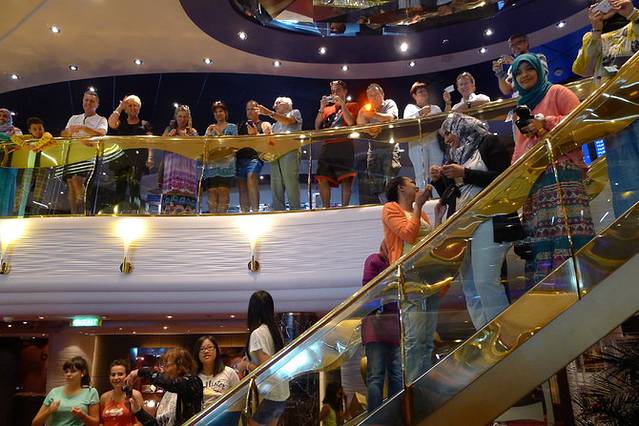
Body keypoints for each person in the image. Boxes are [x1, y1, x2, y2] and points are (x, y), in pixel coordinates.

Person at [511, 53, 595, 286]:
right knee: (544, 240)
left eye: (529, 69)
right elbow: (519, 149)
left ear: (539, 70)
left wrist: (545, 122)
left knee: (568, 233)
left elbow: (581, 121)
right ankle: (552, 292)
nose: (524, 75)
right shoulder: (521, 108)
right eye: (518, 73)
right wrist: (514, 179)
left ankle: (582, 287)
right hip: (536, 183)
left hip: (563, 174)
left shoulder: (557, 92)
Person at [431, 113, 514, 329]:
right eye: (444, 136)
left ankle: (503, 335)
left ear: (461, 127)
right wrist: (439, 181)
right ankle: (484, 336)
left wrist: (465, 173)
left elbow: (505, 178)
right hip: (463, 225)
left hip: (489, 219)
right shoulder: (456, 155)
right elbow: (456, 195)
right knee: (470, 286)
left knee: (486, 281)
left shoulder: (489, 142)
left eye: (448, 133)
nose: (447, 139)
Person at [573, 0, 639, 217]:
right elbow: (583, 68)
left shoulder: (634, 23)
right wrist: (596, 30)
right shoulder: (591, 36)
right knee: (625, 179)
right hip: (612, 116)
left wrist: (632, 14)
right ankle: (631, 228)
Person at [381, 176, 438, 384]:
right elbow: (408, 235)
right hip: (409, 276)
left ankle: (426, 385)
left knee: (427, 338)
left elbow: (431, 241)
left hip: (429, 276)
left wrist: (438, 218)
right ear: (401, 188)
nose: (416, 185)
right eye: (411, 182)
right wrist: (418, 206)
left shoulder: (420, 213)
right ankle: (413, 387)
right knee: (414, 337)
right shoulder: (391, 208)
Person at [236, 290, 289, 426]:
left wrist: (245, 365)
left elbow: (266, 367)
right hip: (282, 392)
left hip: (272, 393)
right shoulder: (275, 332)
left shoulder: (257, 333)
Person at [361, 241, 402, 412]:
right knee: (378, 375)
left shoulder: (398, 265)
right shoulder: (375, 261)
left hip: (390, 325)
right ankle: (377, 417)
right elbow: (369, 290)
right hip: (378, 325)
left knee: (392, 375)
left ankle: (390, 415)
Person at [126, 347, 203, 426]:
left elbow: (169, 383)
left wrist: (141, 371)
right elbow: (157, 424)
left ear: (180, 366)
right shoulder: (169, 391)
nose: (163, 370)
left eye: (166, 365)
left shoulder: (192, 381)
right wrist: (139, 412)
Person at [60, 90, 108, 214]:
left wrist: (83, 128)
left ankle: (81, 214)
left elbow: (102, 133)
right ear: (82, 101)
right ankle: (73, 214)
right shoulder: (74, 118)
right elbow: (64, 134)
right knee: (71, 184)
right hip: (71, 154)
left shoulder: (101, 119)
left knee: (78, 180)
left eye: (92, 101)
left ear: (97, 104)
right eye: (86, 100)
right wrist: (68, 132)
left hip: (87, 155)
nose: (88, 103)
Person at [315, 80, 359, 208]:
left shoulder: (352, 105)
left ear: (345, 91)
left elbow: (351, 122)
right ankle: (326, 207)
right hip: (327, 145)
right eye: (333, 91)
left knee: (346, 178)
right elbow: (317, 126)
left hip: (344, 144)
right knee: (322, 177)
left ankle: (345, 207)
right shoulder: (327, 109)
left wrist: (343, 105)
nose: (335, 93)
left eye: (338, 90)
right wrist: (321, 108)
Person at [107, 95, 153, 213]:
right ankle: (117, 212)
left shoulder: (145, 124)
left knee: (135, 187)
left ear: (139, 108)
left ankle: (135, 212)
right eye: (130, 105)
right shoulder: (121, 122)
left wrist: (150, 157)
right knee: (120, 187)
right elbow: (111, 123)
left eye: (136, 105)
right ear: (126, 108)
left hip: (137, 160)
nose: (133, 108)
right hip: (121, 160)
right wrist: (120, 107)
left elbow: (150, 142)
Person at [357, 83, 400, 204]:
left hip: (389, 147)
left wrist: (373, 115)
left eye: (376, 94)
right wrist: (362, 113)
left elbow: (390, 118)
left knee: (390, 179)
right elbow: (360, 125)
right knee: (375, 183)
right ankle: (385, 205)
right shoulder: (367, 109)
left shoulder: (389, 103)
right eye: (370, 95)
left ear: (382, 94)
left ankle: (394, 206)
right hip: (373, 150)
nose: (373, 97)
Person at [257, 97, 302, 211]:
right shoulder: (275, 125)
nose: (275, 106)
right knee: (276, 184)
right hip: (275, 154)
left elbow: (288, 121)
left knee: (290, 181)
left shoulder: (294, 112)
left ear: (288, 104)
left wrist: (269, 113)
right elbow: (270, 141)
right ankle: (278, 209)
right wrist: (265, 129)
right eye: (274, 104)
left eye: (278, 103)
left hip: (290, 151)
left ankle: (295, 209)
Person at [32, 356, 99, 426]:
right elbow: (35, 423)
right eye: (66, 372)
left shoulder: (90, 392)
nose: (68, 374)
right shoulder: (54, 392)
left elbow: (95, 424)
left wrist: (83, 416)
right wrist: (49, 411)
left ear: (83, 373)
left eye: (73, 371)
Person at [403, 81, 444, 189]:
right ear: (414, 96)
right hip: (417, 145)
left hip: (434, 143)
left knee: (436, 172)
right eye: (420, 91)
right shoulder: (410, 108)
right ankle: (422, 196)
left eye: (425, 91)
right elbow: (406, 123)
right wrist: (421, 113)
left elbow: (442, 127)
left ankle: (437, 196)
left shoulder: (435, 108)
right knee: (421, 175)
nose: (423, 93)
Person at [193, 335, 241, 425]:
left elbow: (239, 398)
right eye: (202, 349)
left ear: (216, 350)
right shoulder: (193, 377)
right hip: (200, 421)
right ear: (197, 353)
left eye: (210, 347)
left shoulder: (229, 372)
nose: (206, 351)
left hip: (224, 418)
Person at [160, 105, 199, 214]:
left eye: (185, 116)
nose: (182, 119)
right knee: (171, 197)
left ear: (188, 118)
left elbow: (197, 148)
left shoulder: (192, 132)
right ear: (176, 117)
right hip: (171, 170)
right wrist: (168, 137)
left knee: (187, 198)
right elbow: (160, 144)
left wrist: (185, 136)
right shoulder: (169, 130)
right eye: (180, 116)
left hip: (187, 171)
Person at [203, 101, 238, 213]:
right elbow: (204, 146)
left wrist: (220, 134)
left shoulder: (232, 127)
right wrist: (208, 134)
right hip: (211, 166)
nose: (218, 113)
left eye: (220, 111)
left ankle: (222, 218)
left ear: (225, 112)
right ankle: (212, 219)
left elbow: (235, 145)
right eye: (216, 112)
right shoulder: (210, 128)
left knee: (223, 191)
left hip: (226, 166)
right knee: (212, 192)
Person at [237, 100, 272, 212]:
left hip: (255, 157)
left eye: (252, 109)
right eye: (248, 109)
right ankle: (244, 213)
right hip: (240, 158)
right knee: (242, 186)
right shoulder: (240, 125)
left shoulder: (264, 124)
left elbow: (269, 140)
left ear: (258, 110)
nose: (249, 111)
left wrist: (256, 134)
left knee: (251, 178)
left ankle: (256, 211)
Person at [100, 360, 144, 426]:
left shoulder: (135, 395)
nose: (116, 377)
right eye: (113, 375)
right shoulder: (104, 397)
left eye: (120, 374)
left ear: (127, 376)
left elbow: (141, 423)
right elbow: (101, 422)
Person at [0, 108, 22, 216]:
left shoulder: (15, 131)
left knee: (5, 194)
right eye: (0, 115)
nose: (1, 118)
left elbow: (19, 144)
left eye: (5, 116)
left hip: (7, 168)